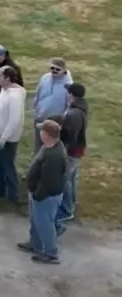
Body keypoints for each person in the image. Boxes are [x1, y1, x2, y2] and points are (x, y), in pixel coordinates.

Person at [18, 120, 68, 265]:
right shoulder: (51, 146)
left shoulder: (54, 156)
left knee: (45, 224)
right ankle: (36, 244)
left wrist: (38, 194)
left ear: (46, 134)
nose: (39, 132)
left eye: (41, 130)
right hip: (40, 192)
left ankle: (50, 253)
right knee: (36, 221)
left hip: (45, 196)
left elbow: (49, 181)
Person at [0, 65, 27, 204]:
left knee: (8, 165)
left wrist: (4, 138)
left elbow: (15, 120)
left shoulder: (15, 96)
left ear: (7, 78)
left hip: (6, 138)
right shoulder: (5, 89)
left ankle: (13, 195)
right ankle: (0, 188)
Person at [56, 83, 87, 235]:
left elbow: (70, 135)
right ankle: (71, 205)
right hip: (76, 151)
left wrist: (64, 150)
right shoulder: (80, 109)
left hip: (70, 151)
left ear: (71, 95)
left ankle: (66, 210)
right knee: (72, 178)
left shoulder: (74, 113)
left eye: (68, 92)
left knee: (66, 180)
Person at [32, 57, 73, 152]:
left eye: (57, 69)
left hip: (55, 122)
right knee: (38, 147)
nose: (54, 71)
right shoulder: (45, 78)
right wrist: (36, 110)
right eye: (52, 68)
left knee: (50, 148)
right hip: (40, 117)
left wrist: (62, 121)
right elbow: (38, 94)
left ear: (64, 70)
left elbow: (69, 106)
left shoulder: (69, 85)